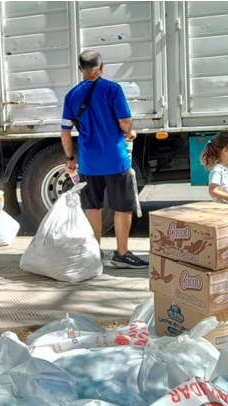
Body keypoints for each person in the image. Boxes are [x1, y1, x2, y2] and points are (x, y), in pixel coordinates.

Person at [60, 50, 148, 269]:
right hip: (116, 161)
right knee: (122, 208)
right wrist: (131, 132)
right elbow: (126, 123)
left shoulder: (71, 96)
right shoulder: (112, 89)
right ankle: (121, 254)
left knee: (93, 209)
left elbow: (65, 132)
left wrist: (70, 158)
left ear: (80, 69)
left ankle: (94, 254)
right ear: (102, 66)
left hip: (89, 163)